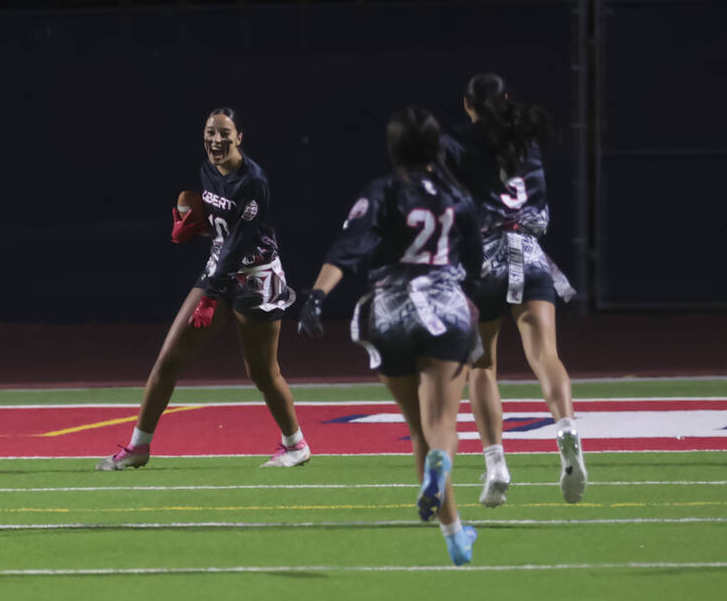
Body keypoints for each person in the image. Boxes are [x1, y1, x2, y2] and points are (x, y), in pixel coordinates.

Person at [297, 106, 482, 566]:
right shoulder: (458, 196)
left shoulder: (382, 191)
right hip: (442, 309)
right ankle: (447, 497)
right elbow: (476, 263)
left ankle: (456, 537)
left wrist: (317, 297)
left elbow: (350, 247)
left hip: (390, 313)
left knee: (419, 428)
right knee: (441, 426)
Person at [97, 107, 310, 470]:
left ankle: (296, 445)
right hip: (219, 269)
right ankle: (138, 447)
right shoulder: (207, 170)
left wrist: (211, 295)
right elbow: (222, 229)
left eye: (224, 133)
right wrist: (194, 228)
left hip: (256, 278)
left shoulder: (253, 180)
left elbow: (242, 242)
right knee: (168, 359)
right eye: (210, 132)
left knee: (262, 372)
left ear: (240, 137)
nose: (216, 140)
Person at [442, 73, 586, 507]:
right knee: (546, 355)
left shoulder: (458, 141)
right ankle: (566, 429)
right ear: (504, 99)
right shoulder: (525, 139)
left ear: (468, 105)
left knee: (481, 366)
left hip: (484, 260)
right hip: (528, 252)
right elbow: (539, 207)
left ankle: (497, 465)